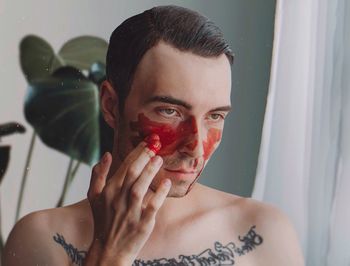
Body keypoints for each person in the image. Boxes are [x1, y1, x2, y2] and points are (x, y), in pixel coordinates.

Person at [3, 5, 305, 266]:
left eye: (215, 116)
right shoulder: (44, 239)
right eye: (170, 112)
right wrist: (108, 254)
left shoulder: (263, 232)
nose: (196, 145)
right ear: (110, 105)